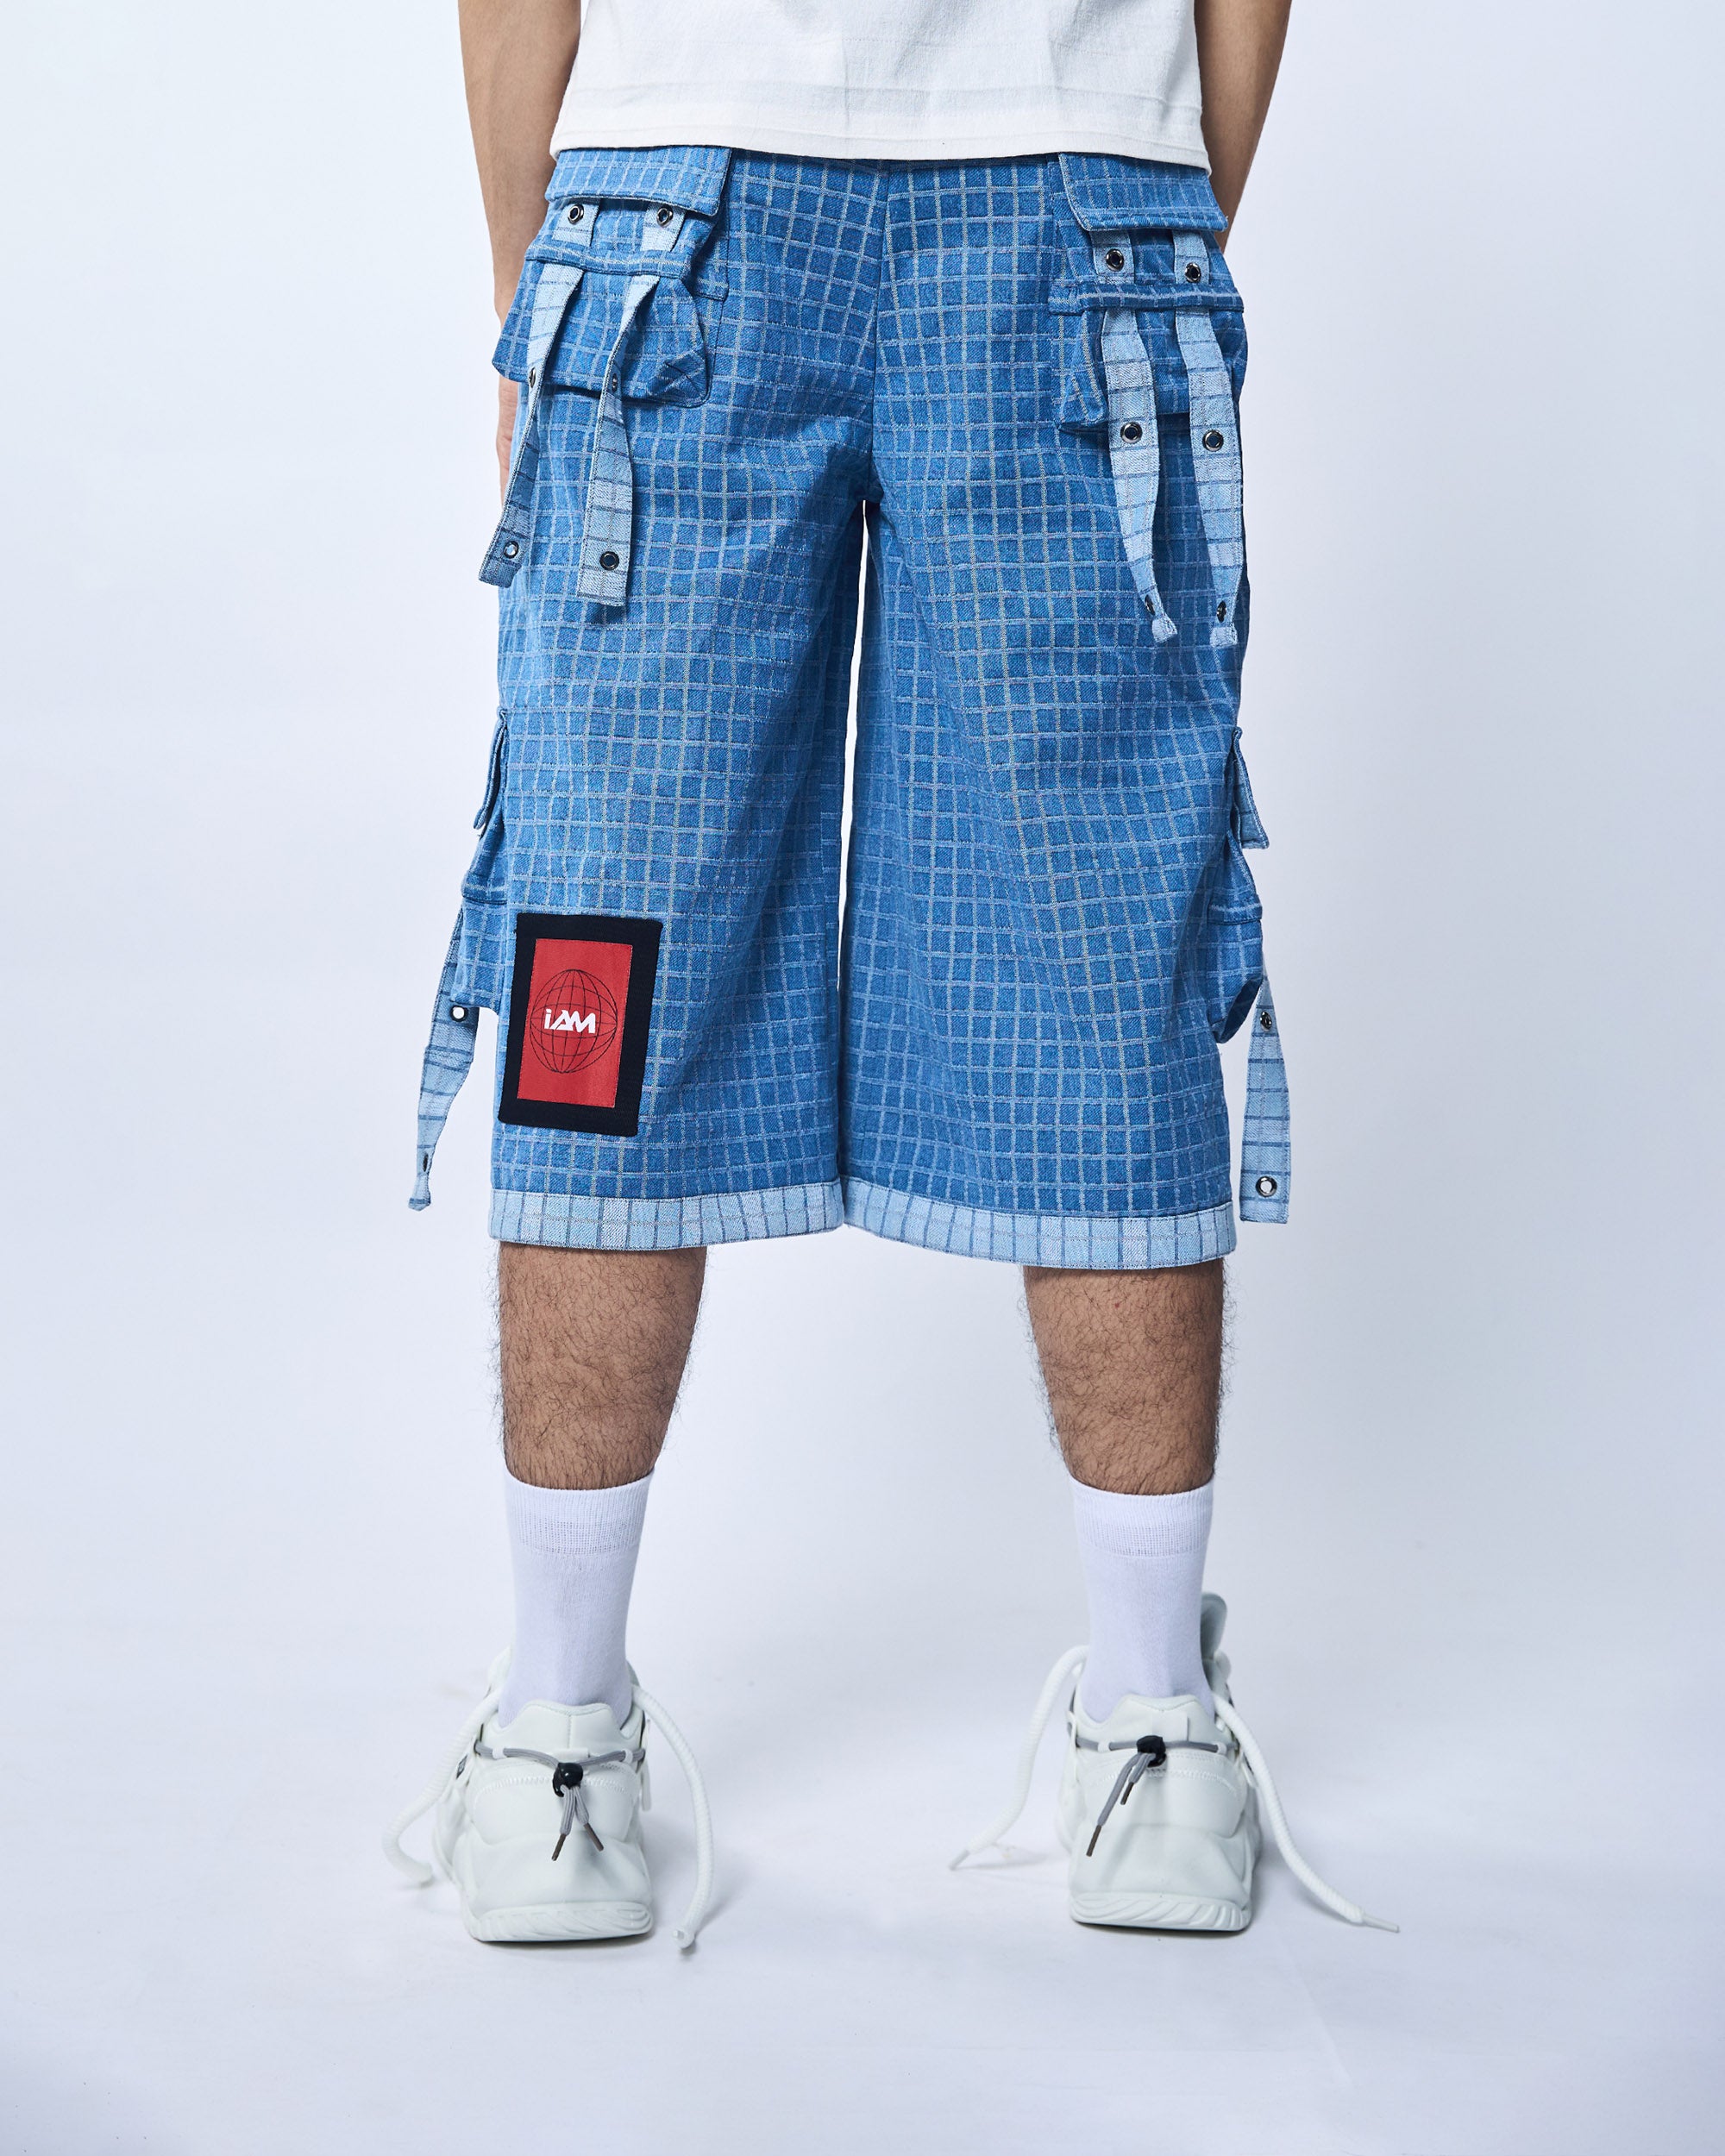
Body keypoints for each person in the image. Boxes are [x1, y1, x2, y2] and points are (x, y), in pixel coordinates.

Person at [385, 0, 1392, 1948]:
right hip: (1063, 188)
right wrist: (1152, 207)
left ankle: (556, 1751)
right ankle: (1154, 1742)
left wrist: (525, 295)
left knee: (610, 959)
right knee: (1095, 952)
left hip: (675, 205)